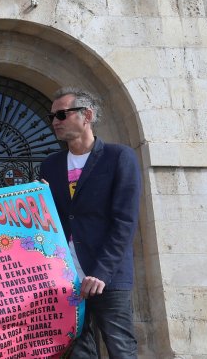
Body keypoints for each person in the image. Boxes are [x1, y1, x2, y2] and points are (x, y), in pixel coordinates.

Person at [40, 88, 140, 358]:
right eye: (52, 116)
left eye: (61, 114)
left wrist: (102, 272)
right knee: (79, 352)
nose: (55, 121)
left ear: (87, 115)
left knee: (121, 348)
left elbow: (124, 222)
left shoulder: (119, 157)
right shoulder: (50, 166)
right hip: (65, 277)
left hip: (107, 275)